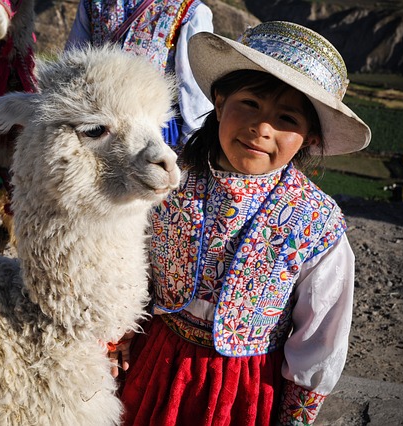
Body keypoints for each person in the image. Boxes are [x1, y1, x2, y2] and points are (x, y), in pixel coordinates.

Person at [110, 21, 372, 425]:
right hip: (153, 359)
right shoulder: (168, 176)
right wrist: (117, 333)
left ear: (311, 140)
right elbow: (124, 259)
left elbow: (321, 335)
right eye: (250, 103)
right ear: (219, 101)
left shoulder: (315, 222)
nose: (262, 128)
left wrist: (295, 416)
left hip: (243, 389)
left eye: (287, 119)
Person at [65, 0, 214, 148]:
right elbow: (75, 66)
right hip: (102, 123)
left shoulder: (189, 10)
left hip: (148, 124)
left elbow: (193, 83)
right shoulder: (92, 4)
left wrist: (194, 138)